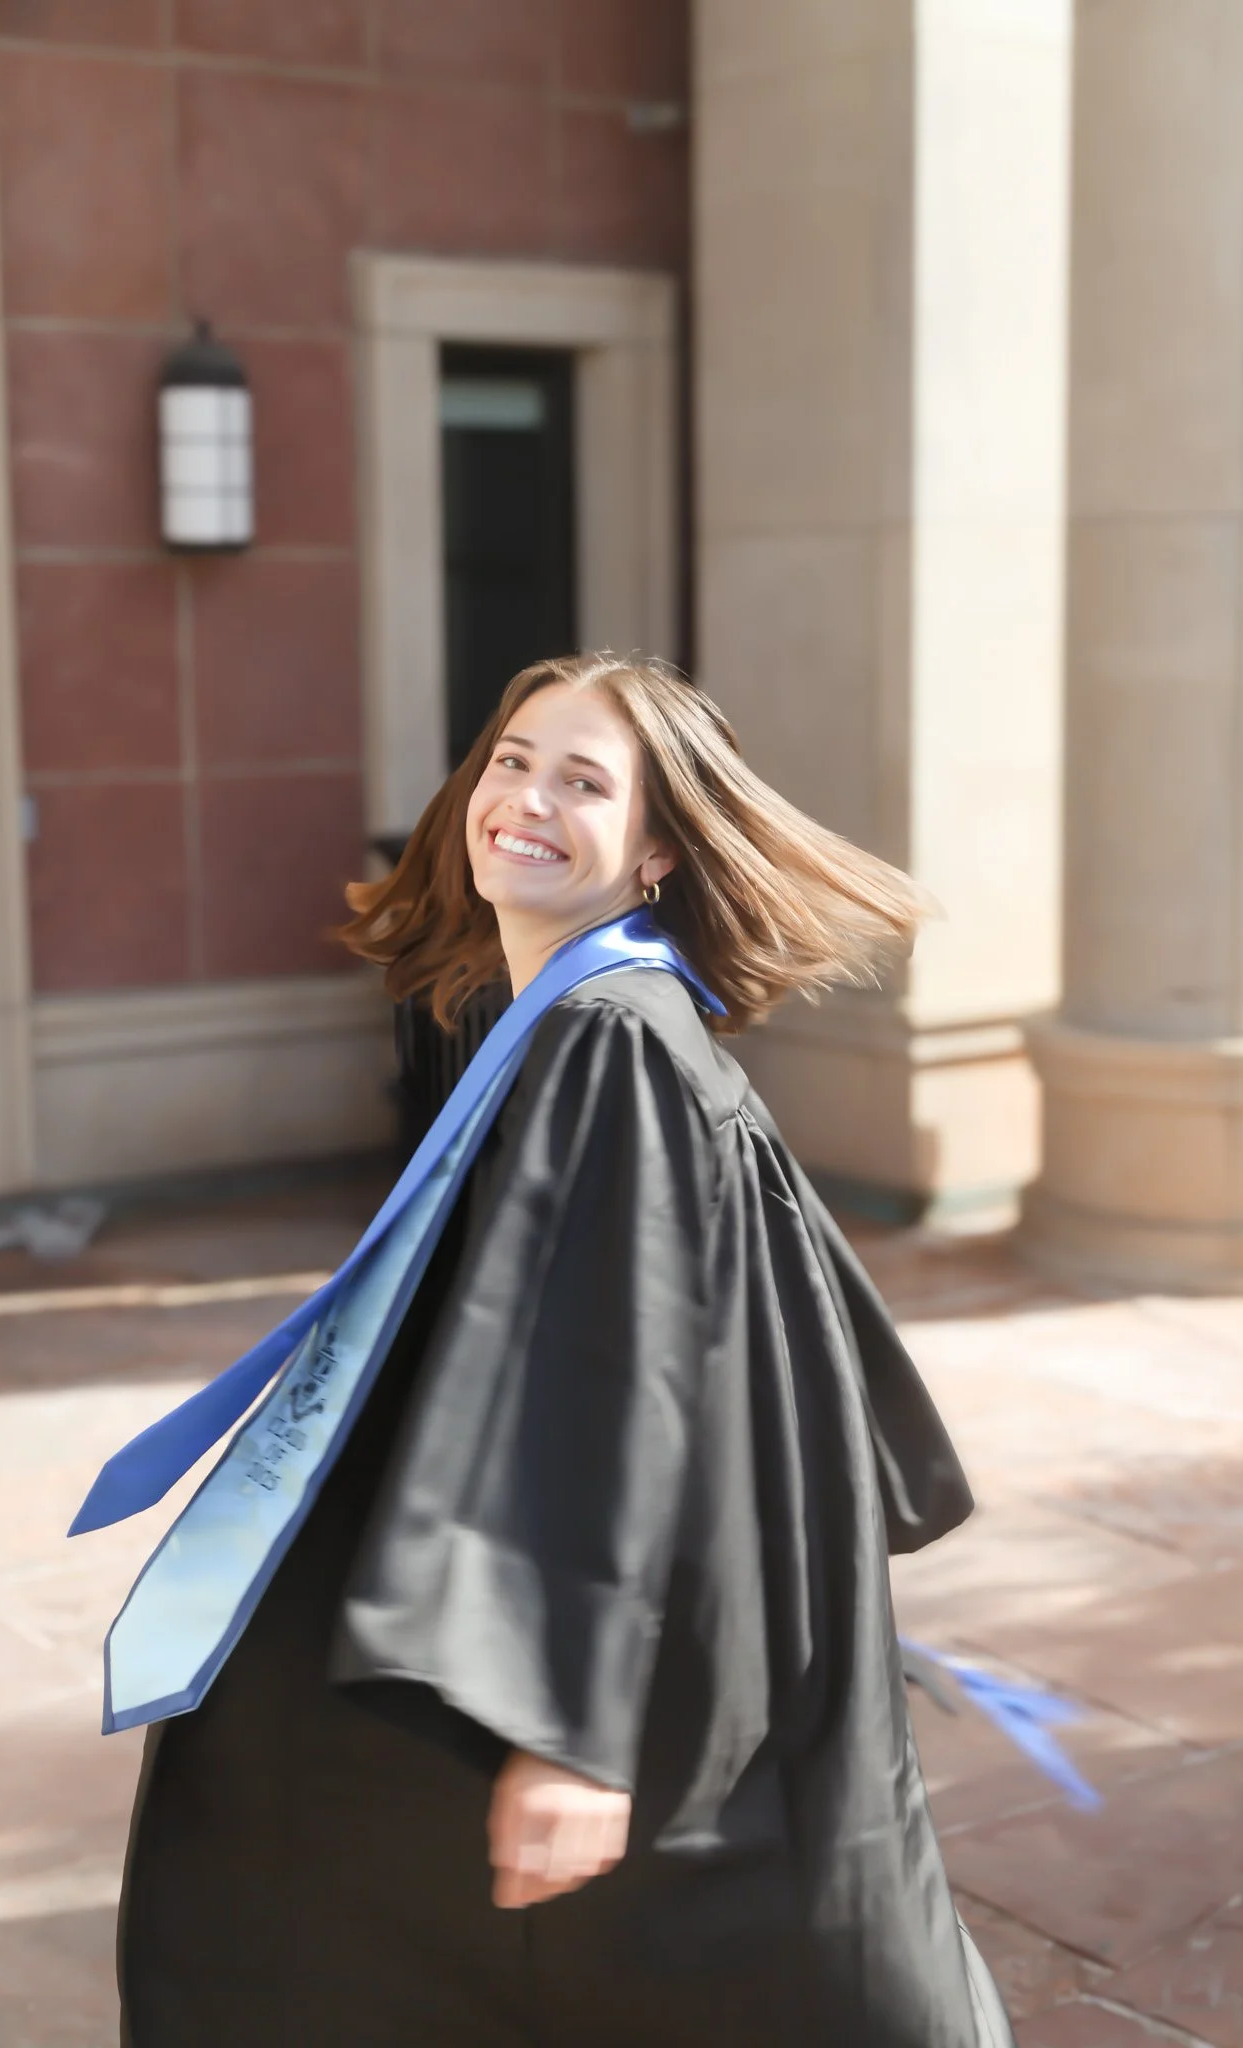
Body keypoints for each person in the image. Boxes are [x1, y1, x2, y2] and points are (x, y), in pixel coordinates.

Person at [112, 653, 1014, 2047]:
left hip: (625, 1589)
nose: (523, 796)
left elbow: (622, 1366)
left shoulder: (610, 1038)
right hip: (664, 1567)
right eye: (513, 760)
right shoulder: (563, 1018)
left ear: (657, 848)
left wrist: (566, 1717)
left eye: (583, 781)